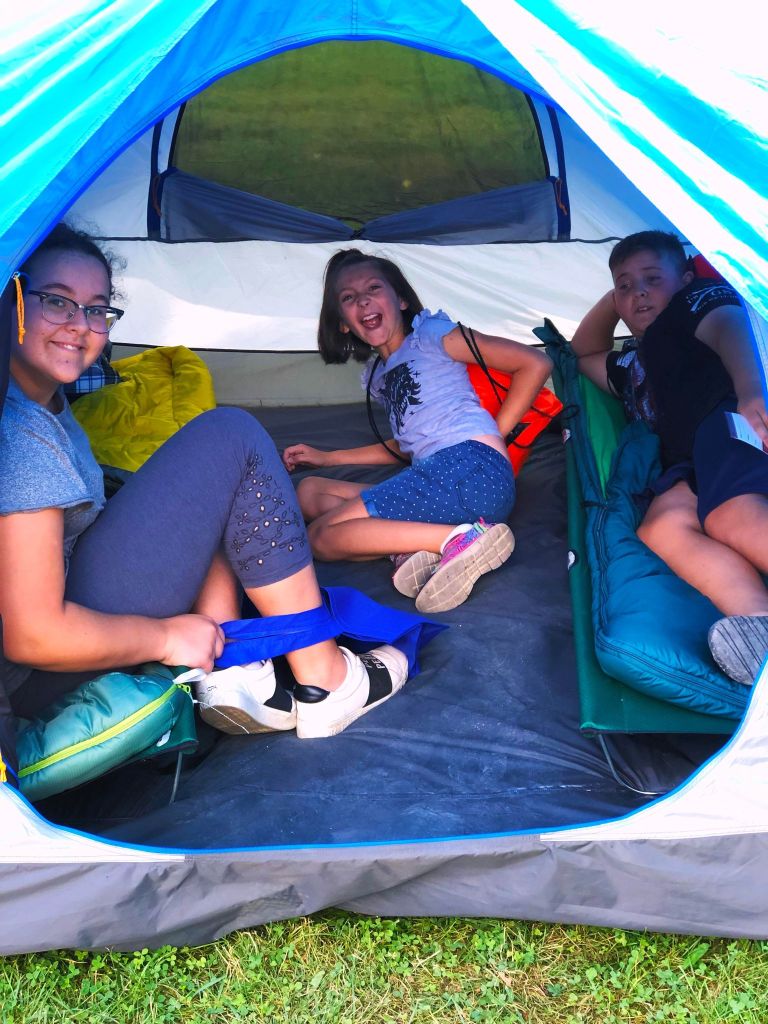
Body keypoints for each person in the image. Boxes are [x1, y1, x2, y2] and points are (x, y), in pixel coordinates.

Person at [0, 224, 409, 779]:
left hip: (70, 597)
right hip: (37, 675)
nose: (80, 325)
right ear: (11, 299)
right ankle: (327, 680)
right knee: (232, 437)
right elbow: (33, 635)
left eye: (97, 310)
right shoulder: (21, 432)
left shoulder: (39, 400)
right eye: (56, 301)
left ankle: (235, 672)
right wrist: (167, 637)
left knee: (211, 481)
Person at [282, 248, 552, 613]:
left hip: (470, 470)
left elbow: (535, 363)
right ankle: (417, 545)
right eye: (348, 297)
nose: (363, 300)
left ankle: (462, 539)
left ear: (402, 300)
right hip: (441, 481)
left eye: (373, 288)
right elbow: (406, 445)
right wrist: (328, 458)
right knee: (310, 492)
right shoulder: (380, 377)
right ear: (343, 323)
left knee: (321, 537)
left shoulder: (431, 335)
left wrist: (494, 436)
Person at [571, 229, 768, 686]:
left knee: (729, 515)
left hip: (728, 419)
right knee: (660, 528)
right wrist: (617, 298)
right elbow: (582, 352)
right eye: (625, 285)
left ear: (684, 279)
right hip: (689, 458)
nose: (639, 292)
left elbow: (728, 325)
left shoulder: (690, 305)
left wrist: (751, 390)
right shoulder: (632, 364)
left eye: (652, 279)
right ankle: (759, 621)